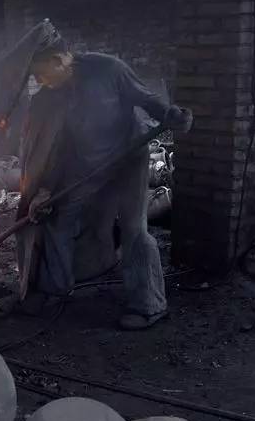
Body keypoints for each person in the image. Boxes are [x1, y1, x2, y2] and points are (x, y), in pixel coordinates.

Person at [14, 26, 193, 330]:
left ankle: (149, 304)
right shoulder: (50, 98)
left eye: (40, 74)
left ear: (59, 60)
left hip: (127, 159)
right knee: (57, 220)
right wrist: (44, 189)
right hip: (85, 167)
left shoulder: (108, 69)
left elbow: (147, 99)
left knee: (135, 229)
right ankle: (55, 289)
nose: (38, 82)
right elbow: (53, 149)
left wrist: (171, 115)